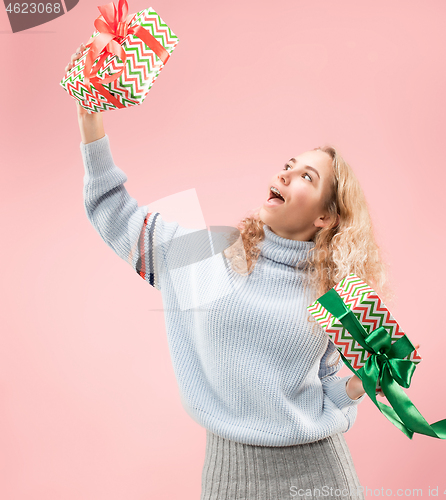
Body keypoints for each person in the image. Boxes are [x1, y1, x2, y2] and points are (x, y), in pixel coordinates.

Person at [65, 44, 395, 500]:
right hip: (230, 480)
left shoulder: (332, 290)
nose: (285, 174)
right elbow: (112, 211)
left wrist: (368, 380)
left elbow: (326, 393)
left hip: (324, 479)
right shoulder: (212, 255)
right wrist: (91, 122)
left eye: (306, 177)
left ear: (325, 217)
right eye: (287, 166)